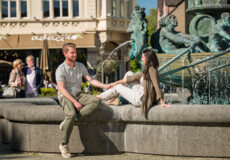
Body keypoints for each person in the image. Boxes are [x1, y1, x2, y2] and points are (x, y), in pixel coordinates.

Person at [56, 43, 109, 158]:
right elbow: (61, 89)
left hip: (78, 94)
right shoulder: (61, 69)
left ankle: (69, 121)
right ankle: (64, 144)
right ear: (65, 54)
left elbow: (90, 80)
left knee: (96, 101)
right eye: (72, 52)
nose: (75, 54)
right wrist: (75, 102)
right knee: (71, 113)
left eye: (75, 52)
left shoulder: (80, 66)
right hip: (65, 95)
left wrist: (105, 86)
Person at [96, 47, 171, 116]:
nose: (141, 59)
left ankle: (98, 97)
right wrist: (115, 83)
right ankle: (114, 98)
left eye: (143, 57)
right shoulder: (146, 70)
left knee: (118, 87)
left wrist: (162, 102)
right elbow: (131, 78)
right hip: (139, 92)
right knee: (129, 74)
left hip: (140, 99)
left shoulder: (152, 70)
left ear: (148, 58)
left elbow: (156, 85)